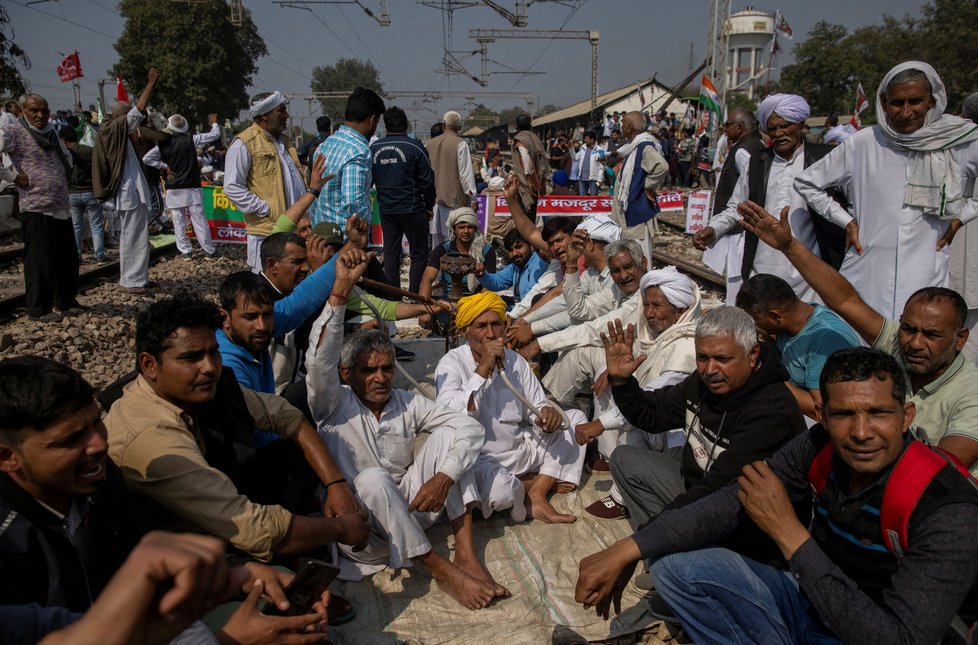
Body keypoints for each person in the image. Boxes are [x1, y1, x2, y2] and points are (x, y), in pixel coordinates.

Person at [575, 347, 978, 644]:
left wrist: (789, 534)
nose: (860, 432)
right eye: (843, 415)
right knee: (672, 568)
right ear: (822, 415)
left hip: (865, 630)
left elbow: (899, 639)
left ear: (906, 417)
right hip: (807, 598)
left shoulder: (947, 509)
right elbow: (728, 500)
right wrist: (628, 548)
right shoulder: (819, 445)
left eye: (878, 414)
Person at [0, 357, 337, 644]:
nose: (98, 445)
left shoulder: (100, 481)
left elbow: (150, 558)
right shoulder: (9, 541)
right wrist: (227, 640)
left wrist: (241, 572)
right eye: (70, 440)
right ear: (6, 457)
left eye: (94, 424)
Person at [304, 248, 508, 610]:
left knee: (452, 434)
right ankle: (441, 570)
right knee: (371, 479)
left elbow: (468, 429)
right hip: (364, 535)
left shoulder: (405, 402)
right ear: (347, 375)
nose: (381, 378)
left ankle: (465, 553)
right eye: (369, 371)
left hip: (413, 513)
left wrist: (444, 477)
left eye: (387, 368)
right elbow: (320, 361)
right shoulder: (333, 404)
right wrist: (338, 294)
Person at [104, 295, 370, 562]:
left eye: (213, 352)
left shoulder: (207, 387)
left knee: (292, 452)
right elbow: (250, 528)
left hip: (220, 514)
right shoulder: (151, 435)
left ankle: (299, 534)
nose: (209, 368)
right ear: (150, 365)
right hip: (179, 556)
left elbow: (286, 416)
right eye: (191, 358)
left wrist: (336, 485)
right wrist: (341, 529)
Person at [739, 200, 978, 474]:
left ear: (960, 339)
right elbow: (845, 300)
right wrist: (789, 246)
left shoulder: (971, 396)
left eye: (931, 335)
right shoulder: (896, 344)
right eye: (908, 329)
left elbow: (938, 473)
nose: (914, 343)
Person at [599, 305, 806, 572]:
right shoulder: (704, 383)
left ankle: (677, 562)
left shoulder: (769, 413)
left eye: (722, 358)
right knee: (625, 460)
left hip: (742, 527)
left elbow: (717, 495)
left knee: (667, 570)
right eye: (702, 357)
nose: (709, 369)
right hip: (699, 489)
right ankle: (667, 555)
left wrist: (638, 544)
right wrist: (622, 382)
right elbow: (652, 413)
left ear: (753, 354)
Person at [794, 61, 978, 319]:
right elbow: (806, 183)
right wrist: (846, 221)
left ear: (931, 101)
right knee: (862, 345)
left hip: (927, 269)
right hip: (868, 269)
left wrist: (962, 217)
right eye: (897, 103)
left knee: (919, 343)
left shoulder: (958, 140)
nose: (906, 112)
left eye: (915, 101)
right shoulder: (865, 142)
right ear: (883, 102)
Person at [435, 292, 587, 524]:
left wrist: (545, 416)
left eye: (496, 324)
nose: (491, 333)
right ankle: (543, 479)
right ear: (465, 331)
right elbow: (448, 415)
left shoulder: (515, 360)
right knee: (501, 495)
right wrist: (483, 369)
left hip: (520, 446)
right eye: (481, 326)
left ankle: (537, 492)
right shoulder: (451, 363)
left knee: (575, 419)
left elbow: (537, 405)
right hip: (482, 459)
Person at [697, 94, 847, 301]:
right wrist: (714, 229)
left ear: (801, 124)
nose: (779, 133)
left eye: (785, 126)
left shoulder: (824, 158)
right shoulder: (758, 163)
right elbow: (738, 207)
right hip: (762, 266)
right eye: (773, 128)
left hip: (811, 269)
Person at [736, 273, 861, 419]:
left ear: (776, 316)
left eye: (755, 320)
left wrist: (766, 373)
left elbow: (820, 411)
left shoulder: (826, 341)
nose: (754, 325)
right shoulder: (793, 319)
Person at [0, 95, 78, 318]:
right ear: (23, 111)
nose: (40, 115)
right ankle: (39, 308)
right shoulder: (14, 132)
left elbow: (67, 159)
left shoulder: (52, 134)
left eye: (44, 111)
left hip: (61, 204)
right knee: (40, 260)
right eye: (34, 110)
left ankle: (66, 301)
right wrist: (13, 176)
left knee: (66, 258)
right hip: (36, 206)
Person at [224, 91, 308, 272]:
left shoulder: (285, 142)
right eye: (281, 111)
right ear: (264, 115)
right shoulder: (245, 143)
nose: (286, 115)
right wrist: (265, 208)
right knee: (265, 284)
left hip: (294, 229)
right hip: (267, 231)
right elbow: (232, 187)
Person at [92, 69, 160, 293]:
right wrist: (150, 84)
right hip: (128, 192)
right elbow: (139, 109)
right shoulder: (114, 128)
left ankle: (137, 277)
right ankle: (131, 281)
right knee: (133, 238)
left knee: (136, 237)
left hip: (130, 192)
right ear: (123, 118)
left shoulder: (112, 131)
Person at [693, 108, 764, 303]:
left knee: (737, 276)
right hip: (739, 220)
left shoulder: (743, 151)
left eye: (728, 125)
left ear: (739, 127)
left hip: (739, 227)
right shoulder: (754, 145)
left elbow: (750, 187)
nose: (724, 129)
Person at [370, 106, 435, 293]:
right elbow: (428, 181)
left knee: (390, 253)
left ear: (385, 125)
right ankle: (415, 294)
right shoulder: (415, 147)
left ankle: (393, 295)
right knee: (419, 253)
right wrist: (428, 206)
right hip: (413, 208)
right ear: (405, 125)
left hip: (387, 210)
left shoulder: (374, 149)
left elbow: (368, 181)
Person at [142, 112, 222, 260]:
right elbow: (214, 135)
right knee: (199, 220)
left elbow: (147, 158)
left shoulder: (163, 144)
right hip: (192, 186)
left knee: (178, 220)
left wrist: (165, 166)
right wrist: (214, 123)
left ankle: (185, 252)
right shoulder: (192, 139)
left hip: (174, 187)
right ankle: (209, 251)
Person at [309, 87, 386, 231]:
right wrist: (362, 227)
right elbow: (353, 202)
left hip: (319, 233)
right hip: (344, 239)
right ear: (372, 120)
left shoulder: (325, 145)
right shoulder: (358, 151)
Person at [418, 207, 495, 324]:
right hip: (448, 301)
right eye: (461, 227)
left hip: (476, 299)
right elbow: (427, 280)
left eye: (470, 227)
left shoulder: (486, 250)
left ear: (475, 229)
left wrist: (478, 307)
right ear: (454, 229)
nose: (466, 231)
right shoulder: (443, 250)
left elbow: (489, 285)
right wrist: (424, 311)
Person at [610, 111, 668, 262]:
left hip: (636, 214)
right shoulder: (633, 147)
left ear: (629, 127)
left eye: (623, 124)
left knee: (638, 257)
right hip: (629, 213)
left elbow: (662, 166)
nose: (621, 127)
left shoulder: (644, 147)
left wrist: (647, 185)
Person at [426, 111, 476, 248]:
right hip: (454, 202)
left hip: (433, 202)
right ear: (459, 127)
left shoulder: (429, 144)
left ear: (443, 125)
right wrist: (473, 199)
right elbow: (466, 175)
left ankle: (439, 269)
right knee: (454, 242)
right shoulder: (460, 144)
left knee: (437, 244)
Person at [59, 127, 105, 265]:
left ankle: (77, 254)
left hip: (72, 193)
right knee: (96, 224)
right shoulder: (89, 150)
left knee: (76, 225)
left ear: (63, 140)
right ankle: (100, 255)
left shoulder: (63, 153)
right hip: (90, 191)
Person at [476, 229, 548, 306]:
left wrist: (511, 317)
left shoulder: (540, 263)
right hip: (519, 309)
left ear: (531, 245)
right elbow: (497, 282)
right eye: (510, 250)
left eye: (518, 247)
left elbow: (530, 299)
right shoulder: (516, 266)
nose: (514, 253)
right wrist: (482, 274)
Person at [511, 113, 549, 215]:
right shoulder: (535, 138)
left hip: (525, 183)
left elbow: (525, 157)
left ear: (516, 126)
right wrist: (543, 182)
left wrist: (528, 179)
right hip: (537, 182)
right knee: (532, 213)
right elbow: (544, 160)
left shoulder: (520, 139)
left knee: (524, 212)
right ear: (530, 125)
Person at [574, 130, 605, 196]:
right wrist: (571, 148)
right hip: (582, 178)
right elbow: (575, 158)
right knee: (582, 199)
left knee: (594, 199)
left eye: (587, 138)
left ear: (592, 139)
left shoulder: (600, 150)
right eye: (584, 138)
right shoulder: (583, 147)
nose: (585, 140)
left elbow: (602, 166)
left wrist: (600, 179)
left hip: (593, 179)